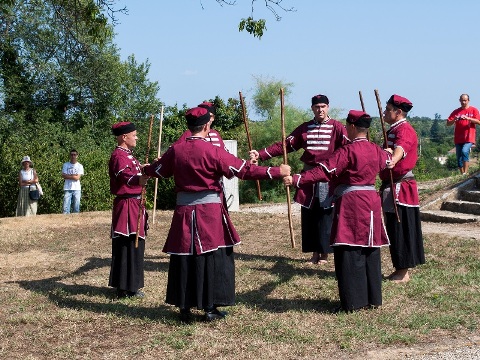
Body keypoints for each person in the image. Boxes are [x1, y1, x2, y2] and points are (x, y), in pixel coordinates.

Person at [142, 106, 290, 322]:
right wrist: (276, 171)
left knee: (184, 257)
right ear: (207, 125)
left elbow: (157, 170)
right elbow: (244, 171)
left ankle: (184, 307)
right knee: (208, 257)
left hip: (183, 211)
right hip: (208, 212)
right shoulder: (213, 151)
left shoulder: (176, 150)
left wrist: (144, 169)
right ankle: (209, 307)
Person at [284, 110, 391, 312]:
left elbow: (322, 171)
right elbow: (389, 161)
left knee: (349, 248)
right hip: (371, 201)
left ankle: (354, 301)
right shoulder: (377, 150)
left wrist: (297, 179)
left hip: (352, 202)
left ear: (351, 127)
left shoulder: (347, 152)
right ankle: (373, 298)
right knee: (369, 248)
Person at [250, 94, 348, 265]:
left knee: (325, 214)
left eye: (323, 106)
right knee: (310, 214)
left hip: (328, 178)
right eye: (317, 107)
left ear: (328, 107)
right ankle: (314, 252)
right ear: (312, 109)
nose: (320, 110)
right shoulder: (305, 128)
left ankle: (324, 253)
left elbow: (349, 148)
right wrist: (261, 154)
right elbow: (285, 145)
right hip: (307, 178)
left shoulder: (337, 127)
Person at [380, 94, 424, 283]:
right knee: (394, 227)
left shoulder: (404, 129)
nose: (384, 112)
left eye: (388, 109)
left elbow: (401, 148)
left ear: (398, 112)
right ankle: (400, 269)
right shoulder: (394, 128)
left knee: (401, 228)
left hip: (401, 188)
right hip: (393, 185)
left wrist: (393, 160)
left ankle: (403, 271)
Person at [108, 121, 149, 299]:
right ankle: (125, 287)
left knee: (134, 244)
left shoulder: (128, 155)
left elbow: (136, 173)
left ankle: (131, 284)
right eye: (134, 135)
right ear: (124, 137)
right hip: (126, 204)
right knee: (127, 244)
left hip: (135, 204)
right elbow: (123, 175)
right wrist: (137, 179)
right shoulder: (119, 155)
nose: (137, 137)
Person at [446, 94, 480, 175]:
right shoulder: (456, 111)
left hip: (469, 137)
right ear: (459, 101)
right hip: (458, 138)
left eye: (465, 100)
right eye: (462, 100)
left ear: (468, 100)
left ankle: (466, 172)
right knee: (458, 158)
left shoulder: (474, 110)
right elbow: (448, 123)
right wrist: (454, 119)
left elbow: (478, 121)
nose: (463, 102)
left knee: (464, 151)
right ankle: (462, 174)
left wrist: (468, 118)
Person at [62, 149, 84, 214]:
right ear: (69, 155)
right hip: (67, 187)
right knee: (65, 207)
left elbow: (77, 178)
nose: (73, 156)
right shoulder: (65, 165)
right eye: (71, 155)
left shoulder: (80, 166)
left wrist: (69, 176)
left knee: (76, 207)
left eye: (74, 155)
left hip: (77, 188)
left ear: (77, 156)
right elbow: (63, 175)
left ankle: (75, 221)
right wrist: (73, 176)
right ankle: (65, 220)